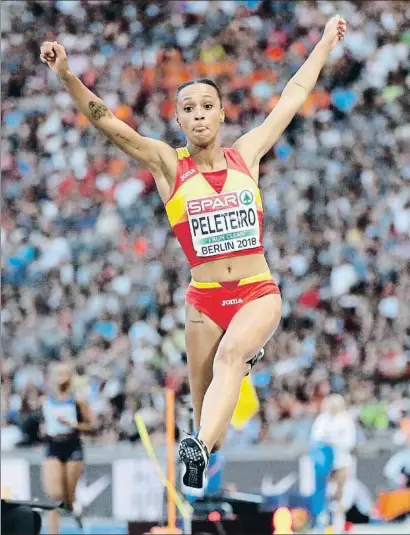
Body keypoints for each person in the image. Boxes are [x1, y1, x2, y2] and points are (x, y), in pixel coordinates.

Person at [40, 14, 347, 489]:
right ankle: (203, 444)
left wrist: (326, 41)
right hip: (203, 301)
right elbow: (110, 125)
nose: (199, 113)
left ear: (223, 114)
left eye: (208, 105)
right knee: (210, 424)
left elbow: (293, 94)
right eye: (189, 107)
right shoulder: (168, 165)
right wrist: (66, 75)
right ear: (178, 119)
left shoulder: (247, 154)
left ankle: (222, 399)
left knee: (229, 362)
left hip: (256, 291)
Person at [41, 363, 93, 534]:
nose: (61, 377)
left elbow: (91, 425)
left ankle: (73, 507)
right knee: (54, 496)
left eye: (64, 374)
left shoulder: (77, 399)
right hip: (53, 446)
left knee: (67, 500)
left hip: (72, 446)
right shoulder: (45, 400)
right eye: (57, 374)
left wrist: (73, 424)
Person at [311, 394, 357, 532]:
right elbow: (316, 437)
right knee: (324, 491)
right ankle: (322, 520)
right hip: (325, 460)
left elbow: (350, 442)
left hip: (341, 460)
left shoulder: (345, 420)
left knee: (340, 492)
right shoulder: (322, 419)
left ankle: (339, 522)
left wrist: (333, 441)